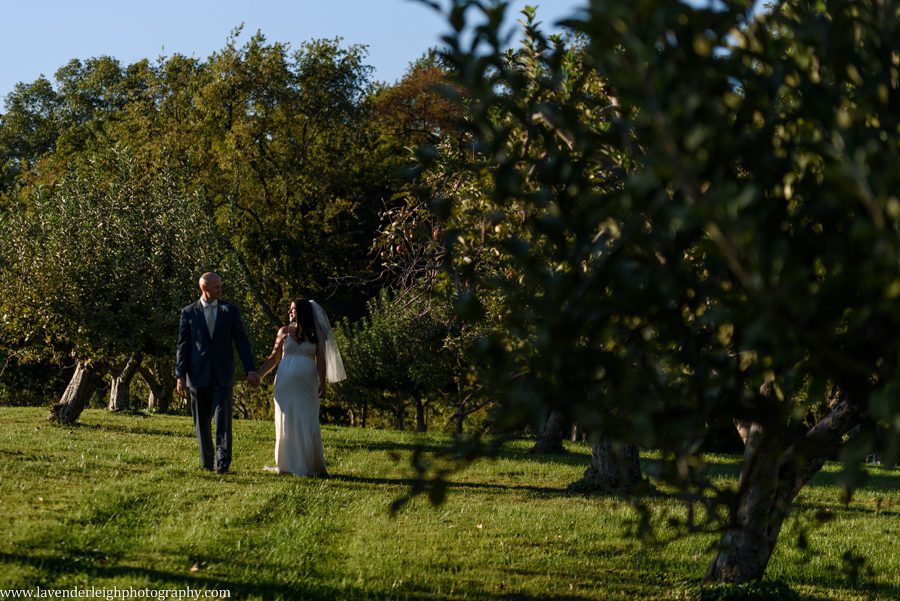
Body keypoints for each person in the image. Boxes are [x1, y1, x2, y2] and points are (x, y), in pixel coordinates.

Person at [176, 272, 259, 475]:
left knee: (223, 420)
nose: (220, 290)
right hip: (197, 375)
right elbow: (183, 346)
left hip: (223, 375)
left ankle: (222, 464)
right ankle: (206, 461)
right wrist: (180, 376)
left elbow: (241, 341)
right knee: (201, 422)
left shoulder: (230, 311)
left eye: (221, 286)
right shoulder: (188, 313)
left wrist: (250, 369)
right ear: (204, 288)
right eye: (216, 287)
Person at [257, 298, 346, 476]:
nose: (289, 312)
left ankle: (308, 465)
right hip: (285, 384)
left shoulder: (317, 333)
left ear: (303, 312)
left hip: (307, 385)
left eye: (293, 309)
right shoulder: (283, 331)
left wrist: (322, 382)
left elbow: (321, 360)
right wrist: (258, 375)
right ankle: (287, 464)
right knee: (286, 420)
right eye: (289, 309)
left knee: (307, 421)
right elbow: (274, 357)